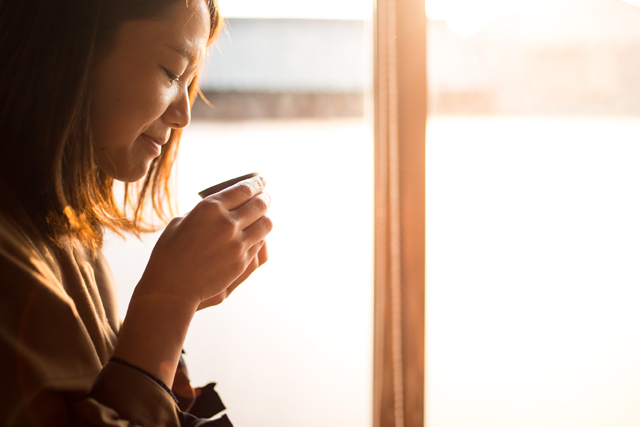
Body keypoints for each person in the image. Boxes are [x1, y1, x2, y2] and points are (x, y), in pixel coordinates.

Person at [0, 0, 272, 425]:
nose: (183, 113)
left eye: (190, 82)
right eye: (171, 71)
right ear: (76, 46)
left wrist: (176, 306)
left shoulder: (71, 236)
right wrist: (167, 303)